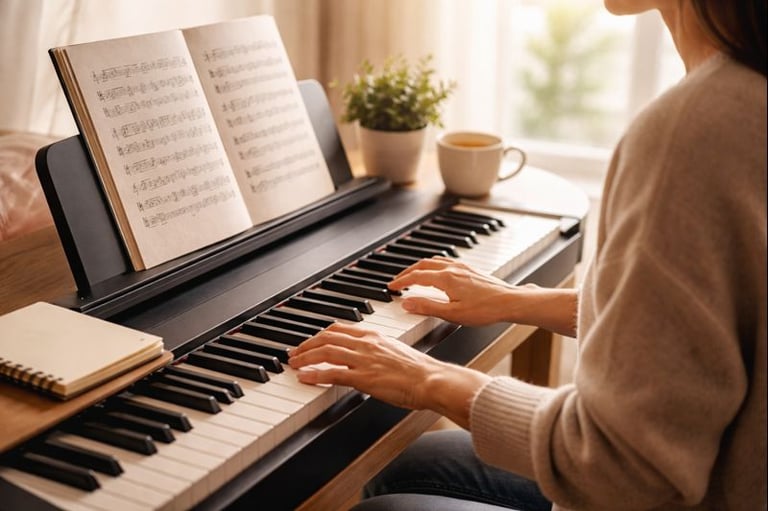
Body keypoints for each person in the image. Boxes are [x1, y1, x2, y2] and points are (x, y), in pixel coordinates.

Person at [288, 0, 767, 509]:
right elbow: (690, 329)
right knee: (411, 463)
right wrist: (519, 300)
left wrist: (428, 378)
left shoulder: (696, 130)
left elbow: (622, 465)